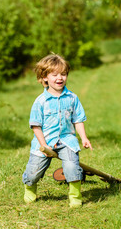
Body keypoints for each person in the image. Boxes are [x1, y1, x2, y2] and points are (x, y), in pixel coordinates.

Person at [22, 54, 93, 208]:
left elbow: (78, 119)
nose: (59, 78)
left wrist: (84, 137)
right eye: (54, 75)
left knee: (72, 167)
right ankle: (29, 187)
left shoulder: (72, 98)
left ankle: (75, 196)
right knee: (33, 173)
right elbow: (36, 126)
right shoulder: (40, 101)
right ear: (45, 77)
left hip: (67, 140)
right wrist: (44, 145)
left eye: (63, 74)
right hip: (45, 140)